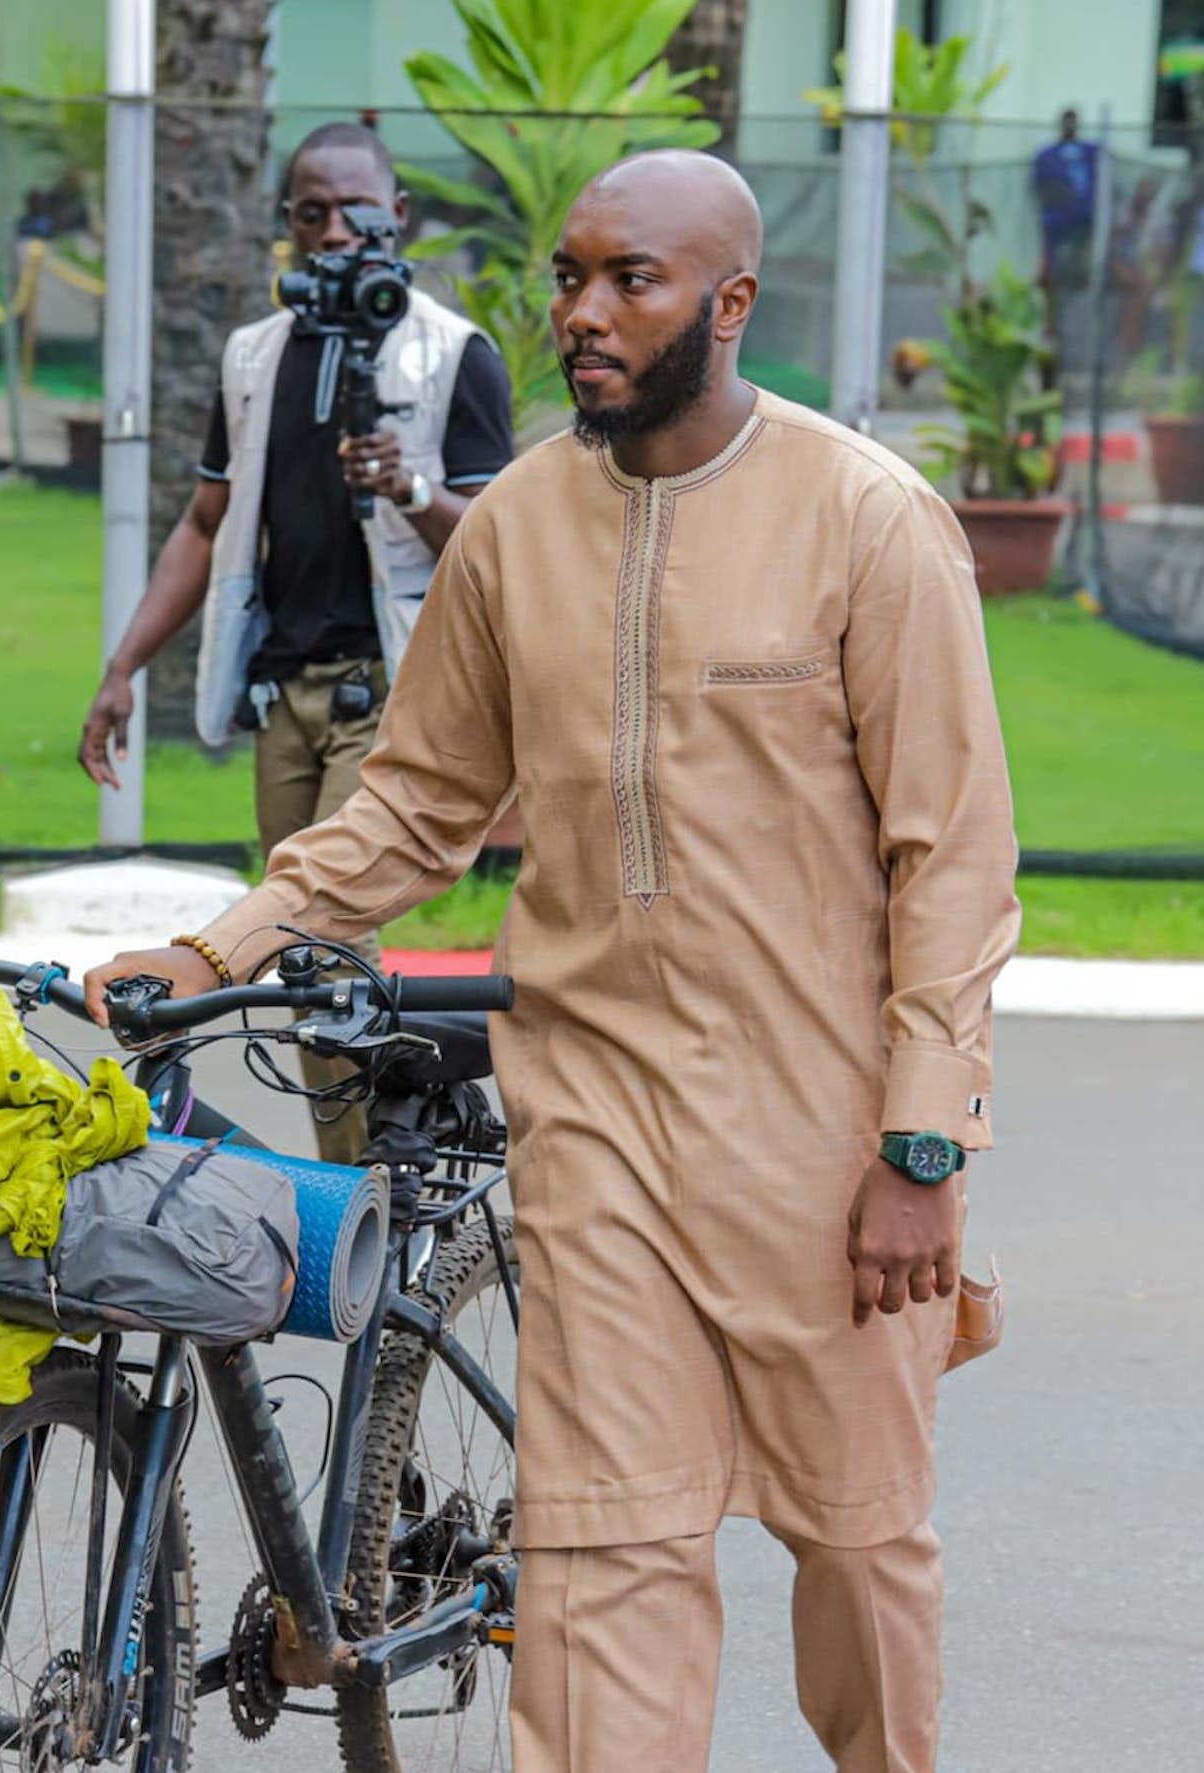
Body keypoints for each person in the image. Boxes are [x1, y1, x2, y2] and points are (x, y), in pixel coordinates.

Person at [85, 149, 1020, 1772]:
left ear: (728, 304)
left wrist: (921, 1139)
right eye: (572, 276)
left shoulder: (866, 519)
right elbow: (419, 803)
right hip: (593, 1123)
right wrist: (216, 941)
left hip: (822, 1135)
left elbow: (952, 855)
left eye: (630, 281)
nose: (583, 313)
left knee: (860, 1548)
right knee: (600, 1572)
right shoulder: (515, 524)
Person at [76, 120, 514, 1163]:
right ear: (286, 226)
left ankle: (364, 1194)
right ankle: (411, 1135)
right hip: (288, 698)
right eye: (309, 212)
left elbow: (499, 548)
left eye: (356, 211)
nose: (333, 231)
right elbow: (204, 521)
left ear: (397, 216)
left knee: (322, 947)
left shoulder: (455, 355)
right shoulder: (254, 354)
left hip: (393, 692)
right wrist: (123, 665)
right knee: (306, 954)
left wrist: (408, 486)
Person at [1034, 107, 1102, 336]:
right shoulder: (1048, 156)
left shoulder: (1090, 152)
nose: (1070, 127)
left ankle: (1078, 329)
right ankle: (1051, 327)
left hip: (1084, 226)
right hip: (1056, 226)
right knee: (1052, 277)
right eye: (1066, 122)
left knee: (1079, 276)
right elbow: (1043, 190)